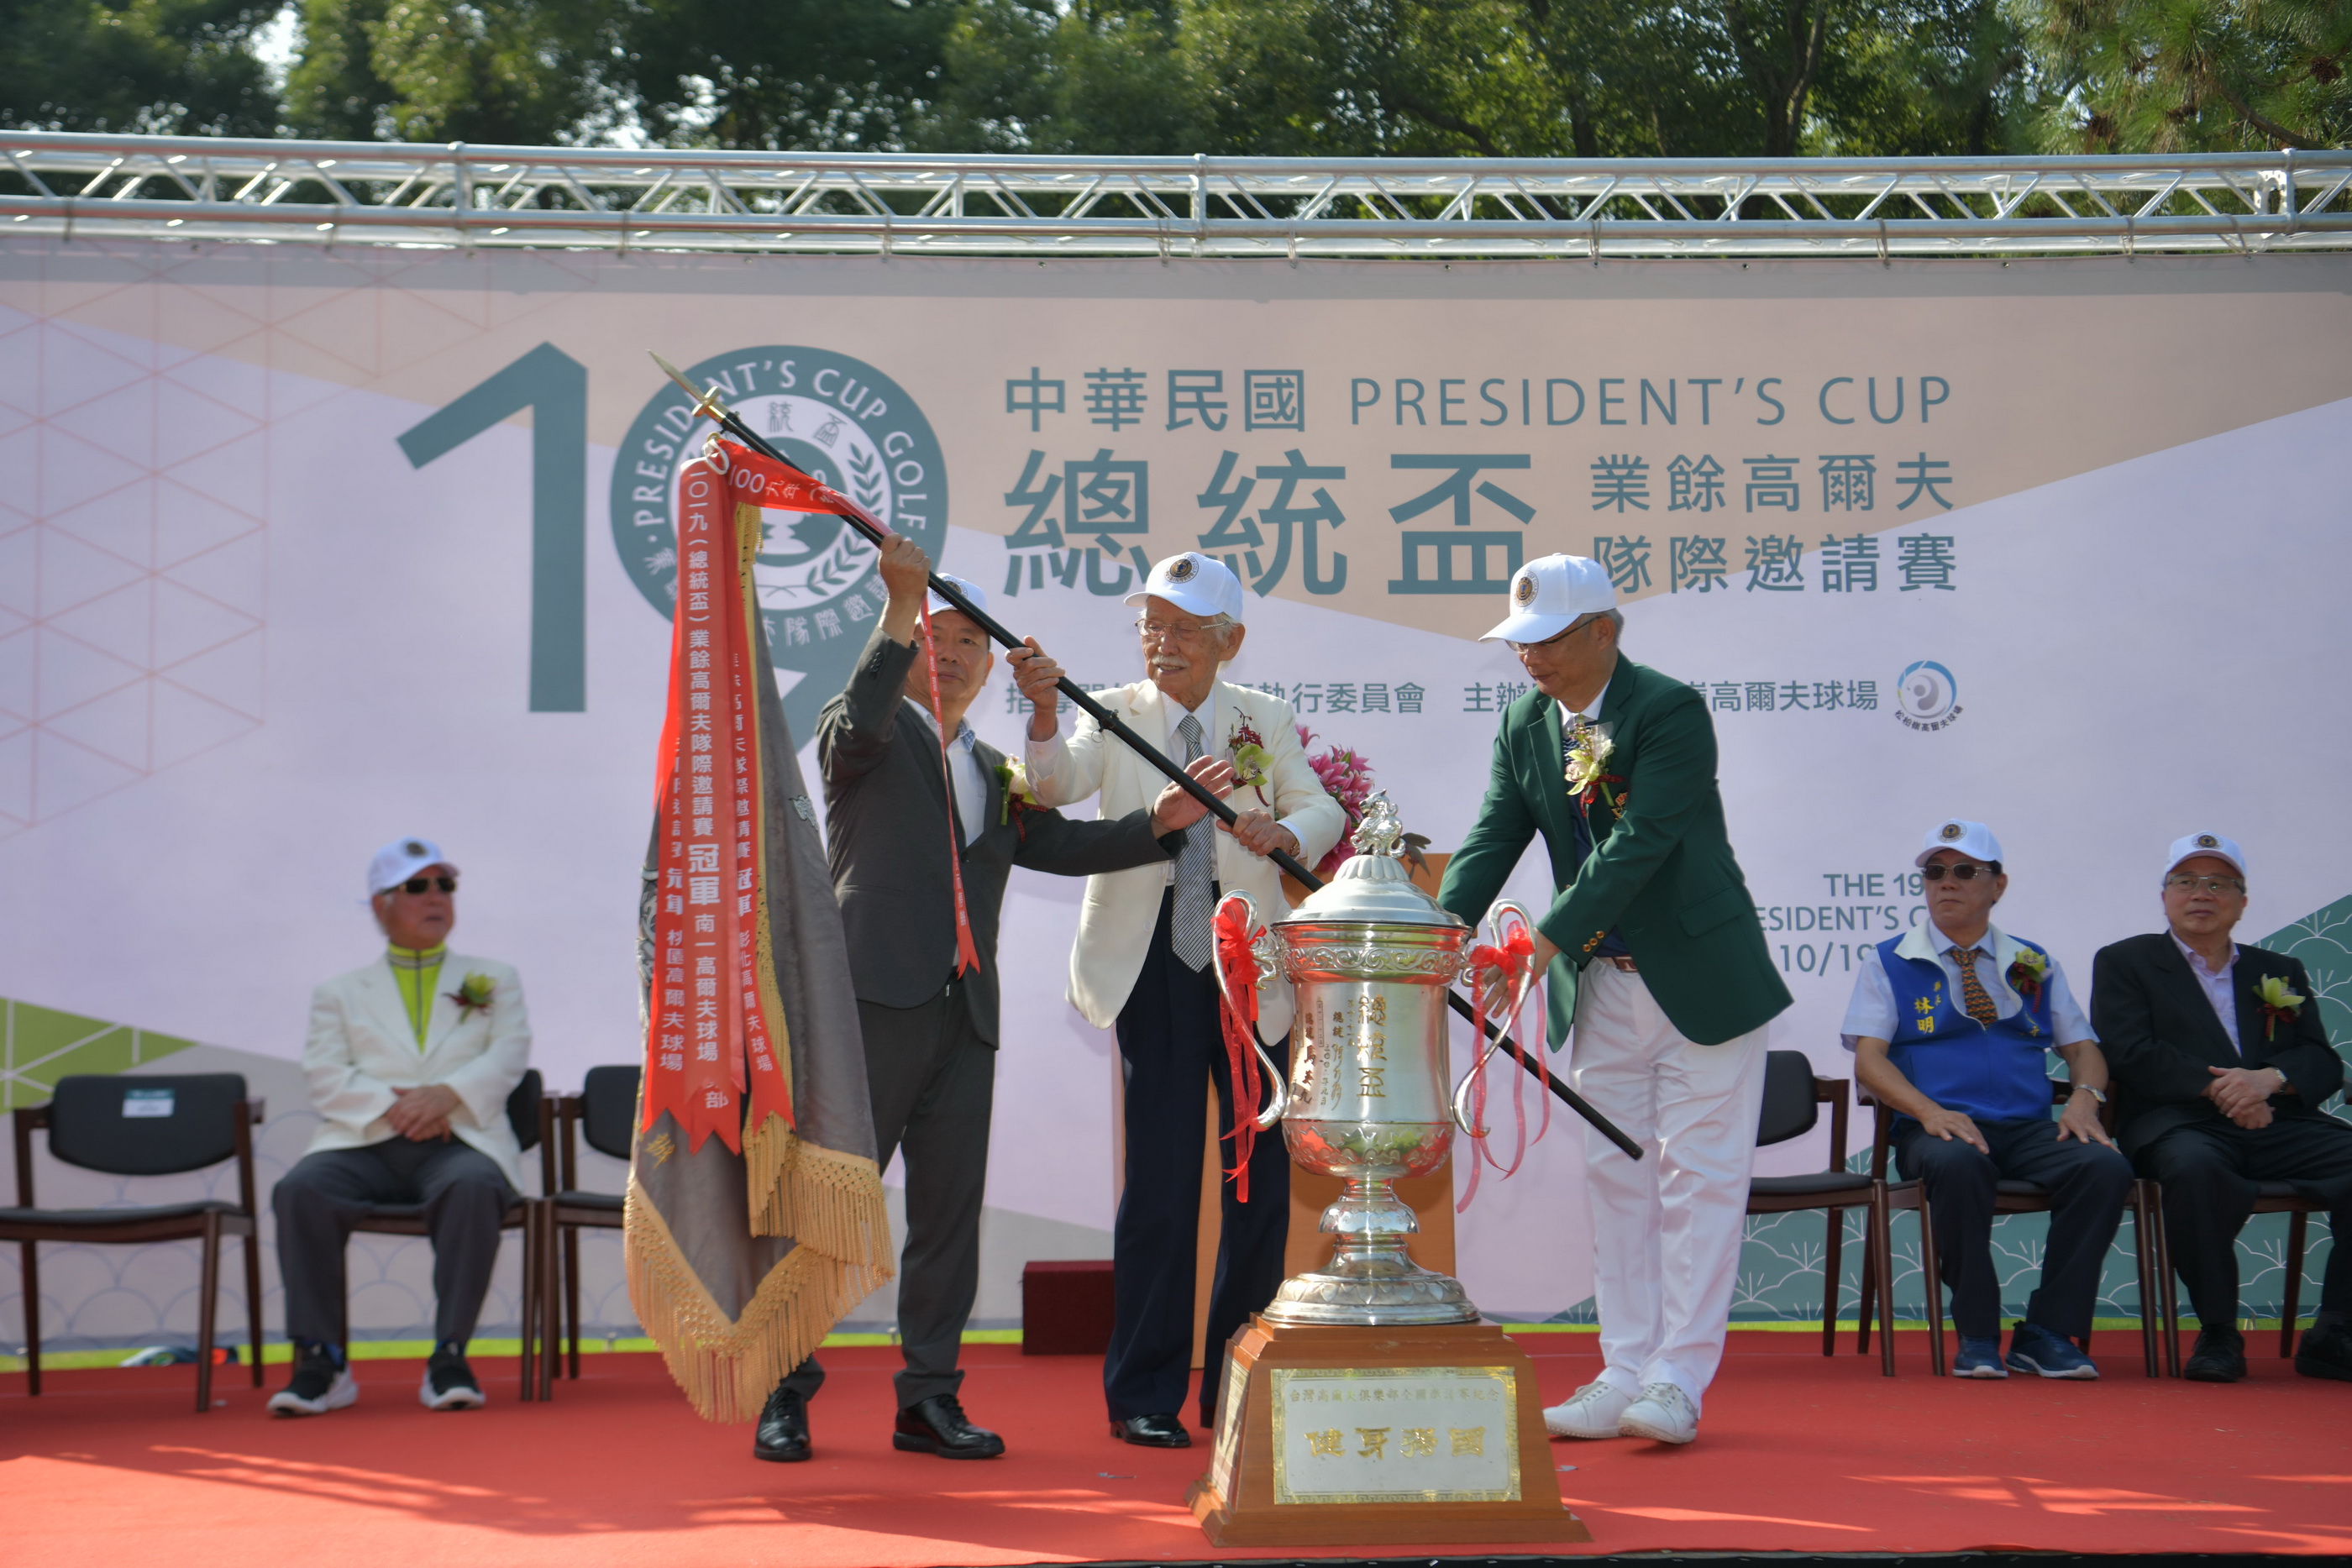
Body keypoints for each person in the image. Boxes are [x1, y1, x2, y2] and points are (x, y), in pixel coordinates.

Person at [757, 543, 1233, 1463]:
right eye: (938, 637)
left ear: (991, 662)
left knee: (947, 1214)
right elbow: (857, 718)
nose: (955, 653)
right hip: (869, 1004)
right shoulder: (865, 735)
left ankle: (927, 1397)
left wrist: (1159, 827)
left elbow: (1056, 846)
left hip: (963, 1014)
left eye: (971, 640)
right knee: (828, 1203)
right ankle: (785, 1385)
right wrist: (900, 608)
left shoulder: (990, 765)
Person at [1435, 553, 1788, 1447]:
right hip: (1596, 986)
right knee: (1614, 1177)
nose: (1530, 660)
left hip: (1700, 982)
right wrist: (1435, 938)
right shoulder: (1524, 723)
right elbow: (1492, 834)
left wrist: (1540, 939)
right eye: (1520, 643)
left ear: (1604, 632)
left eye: (1548, 640)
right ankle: (1624, 1366)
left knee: (1699, 1182)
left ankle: (1678, 1376)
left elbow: (1641, 844)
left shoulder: (1667, 709)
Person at [1018, 550, 1345, 1449]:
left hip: (1251, 974)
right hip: (1155, 963)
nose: (1162, 642)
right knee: (1160, 1185)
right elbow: (1050, 788)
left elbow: (1322, 810)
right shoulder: (1111, 714)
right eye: (1151, 624)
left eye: (1185, 628)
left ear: (1229, 640)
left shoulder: (1262, 718)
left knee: (1259, 1186)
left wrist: (1286, 827)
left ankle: (1240, 1380)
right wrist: (1046, 711)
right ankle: (1144, 1392)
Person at [1842, 820, 2131, 1378]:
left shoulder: (2032, 961)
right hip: (1937, 1127)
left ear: (1998, 885)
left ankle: (2046, 1330)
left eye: (1965, 871)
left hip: (2027, 1128)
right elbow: (1869, 1060)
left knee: (2104, 1166)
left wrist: (2084, 1097)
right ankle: (1976, 1330)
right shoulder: (1890, 959)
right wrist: (1928, 1111)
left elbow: (2083, 1048)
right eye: (1935, 871)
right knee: (1956, 1162)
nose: (1947, 883)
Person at [268, 837, 531, 1416]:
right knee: (301, 1190)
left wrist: (446, 1096)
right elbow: (325, 1073)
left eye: (445, 884)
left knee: (474, 1186)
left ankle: (449, 1355)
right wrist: (404, 1110)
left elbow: (510, 1053)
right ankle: (322, 1359)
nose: (435, 896)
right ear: (380, 904)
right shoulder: (338, 991)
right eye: (417, 886)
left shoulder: (494, 976)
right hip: (364, 1140)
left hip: (458, 1138)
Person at [2091, 831, 2352, 1383]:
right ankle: (2217, 1332)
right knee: (2195, 1168)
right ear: (2165, 896)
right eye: (2186, 881)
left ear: (2242, 901)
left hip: (2278, 1119)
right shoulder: (2125, 960)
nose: (2201, 893)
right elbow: (2130, 1052)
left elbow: (2322, 1061)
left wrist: (2269, 1079)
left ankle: (2335, 1331)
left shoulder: (2277, 968)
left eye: (2218, 883)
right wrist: (2226, 1090)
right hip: (2179, 1124)